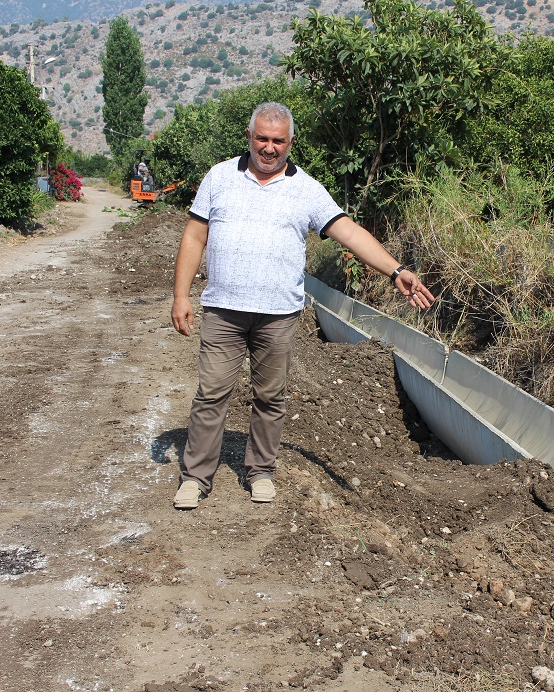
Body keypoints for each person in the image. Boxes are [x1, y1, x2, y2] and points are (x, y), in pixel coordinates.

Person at [170, 101, 435, 510]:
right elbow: (194, 237)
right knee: (211, 395)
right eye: (262, 138)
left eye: (278, 140)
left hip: (278, 314)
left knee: (270, 397)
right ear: (249, 136)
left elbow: (349, 232)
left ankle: (260, 472)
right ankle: (196, 478)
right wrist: (181, 295)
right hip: (224, 309)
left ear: (290, 142)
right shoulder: (219, 177)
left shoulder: (306, 189)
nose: (269, 147)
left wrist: (394, 269)